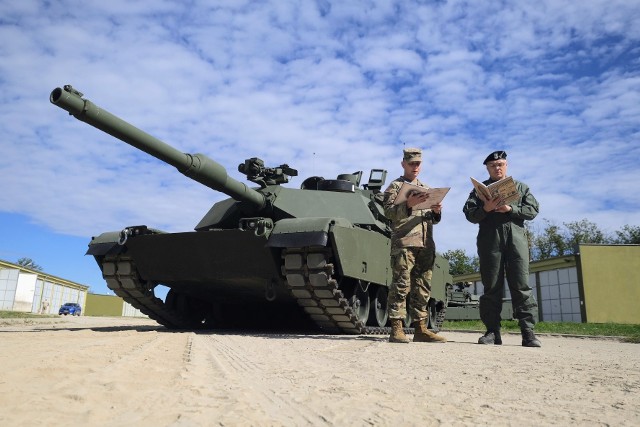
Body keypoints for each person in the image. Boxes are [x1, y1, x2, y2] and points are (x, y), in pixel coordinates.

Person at [463, 150, 541, 347]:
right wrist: (485, 209)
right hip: (490, 241)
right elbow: (469, 214)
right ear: (487, 168)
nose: (497, 168)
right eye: (493, 165)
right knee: (491, 286)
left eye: (501, 164)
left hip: (516, 241)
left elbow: (532, 210)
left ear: (506, 166)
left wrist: (511, 209)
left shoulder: (520, 187)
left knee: (521, 285)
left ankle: (528, 332)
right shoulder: (479, 191)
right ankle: (492, 332)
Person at [383, 147, 447, 344]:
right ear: (403, 164)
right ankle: (397, 329)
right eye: (411, 163)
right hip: (404, 243)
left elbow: (431, 219)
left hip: (425, 244)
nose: (415, 166)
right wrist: (408, 204)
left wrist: (436, 211)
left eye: (418, 163)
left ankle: (420, 329)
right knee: (401, 285)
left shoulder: (426, 189)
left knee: (423, 287)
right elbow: (388, 213)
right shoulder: (395, 187)